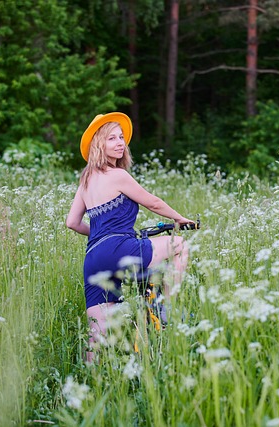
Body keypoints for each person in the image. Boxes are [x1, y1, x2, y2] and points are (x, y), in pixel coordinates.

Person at [66, 112, 193, 361]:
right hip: (119, 248)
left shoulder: (85, 181)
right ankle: (166, 307)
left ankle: (89, 382)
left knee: (97, 338)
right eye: (111, 138)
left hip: (93, 258)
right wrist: (180, 219)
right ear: (98, 145)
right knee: (178, 244)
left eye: (121, 137)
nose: (119, 142)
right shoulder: (118, 175)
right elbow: (153, 203)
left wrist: (101, 236)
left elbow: (72, 222)